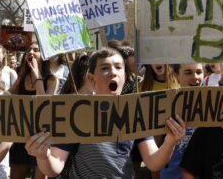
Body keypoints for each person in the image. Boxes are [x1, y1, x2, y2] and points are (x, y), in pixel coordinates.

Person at [25, 47, 186, 178]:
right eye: (105, 68)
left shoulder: (135, 112)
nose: (113, 72)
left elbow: (153, 162)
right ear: (91, 79)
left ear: (125, 76)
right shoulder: (75, 113)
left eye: (118, 67)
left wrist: (170, 141)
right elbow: (54, 168)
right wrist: (43, 155)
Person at [8, 41, 58, 179]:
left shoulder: (52, 79)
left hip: (41, 137)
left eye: (35, 50)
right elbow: (6, 96)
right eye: (28, 50)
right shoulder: (22, 77)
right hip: (21, 135)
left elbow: (44, 105)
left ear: (44, 55)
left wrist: (37, 78)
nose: (30, 53)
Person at [159, 63, 204, 179]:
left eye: (199, 72)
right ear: (176, 75)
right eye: (188, 72)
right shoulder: (165, 105)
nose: (195, 77)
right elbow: (155, 151)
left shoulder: (213, 105)